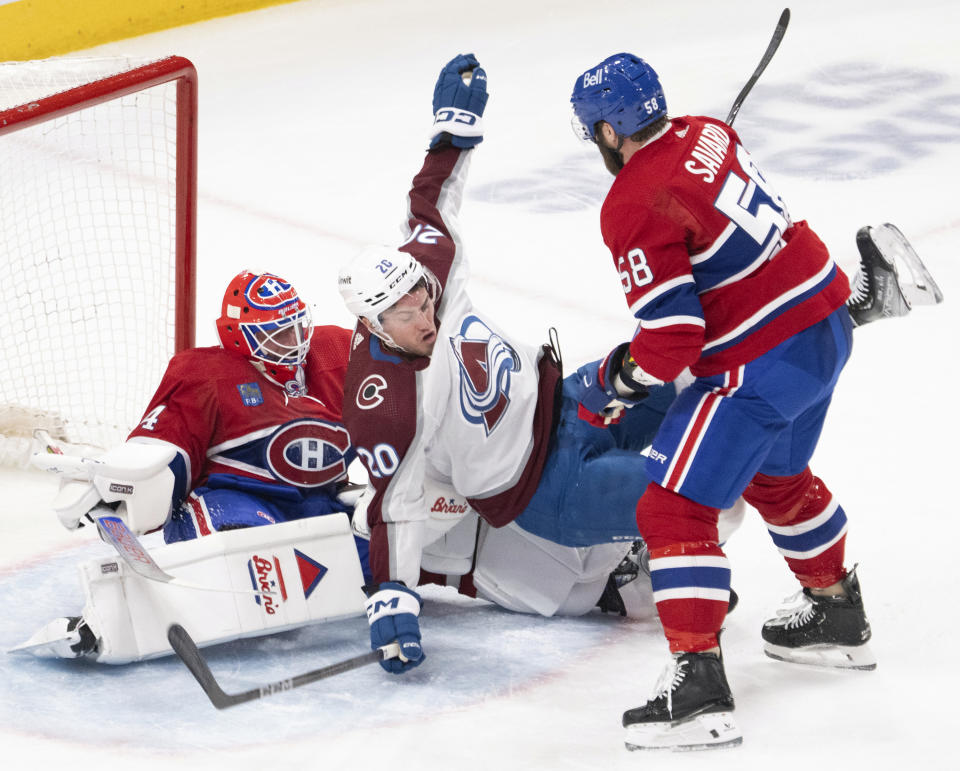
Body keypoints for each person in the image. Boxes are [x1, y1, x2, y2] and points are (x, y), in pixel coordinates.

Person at [336, 53, 931, 680]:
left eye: (423, 298)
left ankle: (801, 333)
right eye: (403, 315)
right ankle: (656, 593)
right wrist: (391, 595)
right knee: (711, 498)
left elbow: (432, 200)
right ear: (371, 324)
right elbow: (394, 504)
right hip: (544, 490)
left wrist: (452, 130)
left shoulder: (433, 271)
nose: (424, 316)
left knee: (694, 384)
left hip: (566, 401)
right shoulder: (386, 400)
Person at [567, 53, 940, 750]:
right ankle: (836, 614)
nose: (596, 145)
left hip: (762, 361)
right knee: (774, 474)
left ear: (611, 131)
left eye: (596, 132)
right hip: (824, 327)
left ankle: (698, 689)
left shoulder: (631, 204)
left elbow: (674, 342)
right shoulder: (709, 131)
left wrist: (616, 377)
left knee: (672, 505)